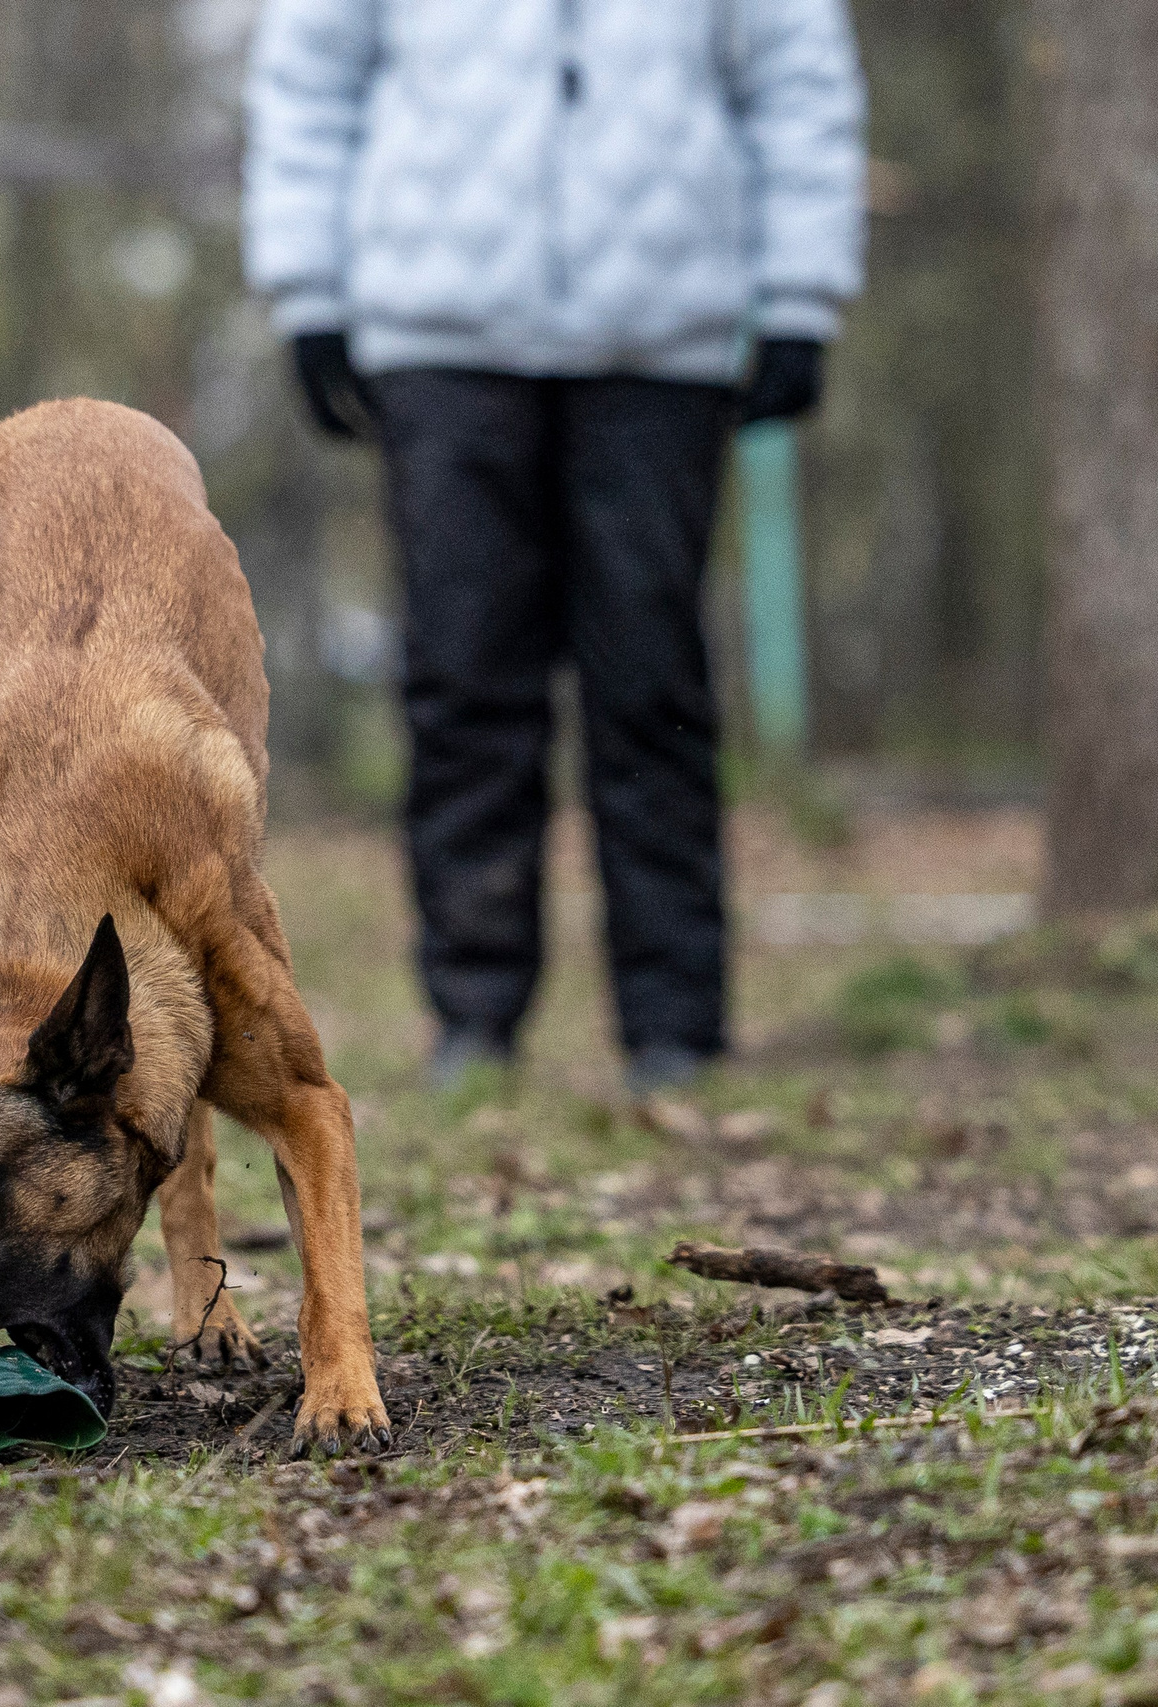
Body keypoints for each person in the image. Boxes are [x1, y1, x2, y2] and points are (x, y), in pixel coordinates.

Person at [243, 0, 866, 1093]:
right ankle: (472, 1023)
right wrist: (308, 288)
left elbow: (796, 79)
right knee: (461, 680)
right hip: (437, 331)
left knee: (653, 689)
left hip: (661, 338)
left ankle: (676, 1031)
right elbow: (308, 75)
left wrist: (800, 296)